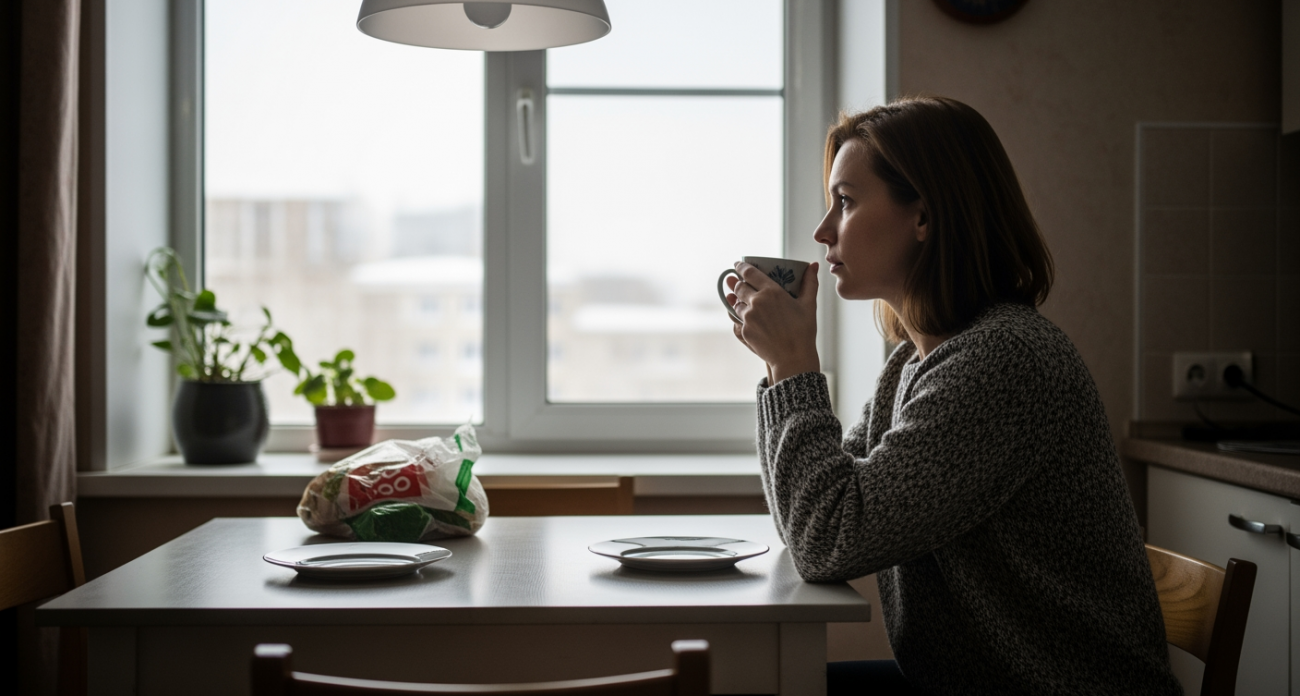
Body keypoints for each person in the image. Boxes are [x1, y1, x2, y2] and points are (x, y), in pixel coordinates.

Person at [723, 96, 1182, 696]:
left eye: (846, 201)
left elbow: (826, 539)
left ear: (924, 217)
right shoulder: (916, 363)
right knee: (768, 682)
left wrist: (791, 365)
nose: (822, 230)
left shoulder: (1003, 362)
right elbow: (820, 513)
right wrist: (781, 368)